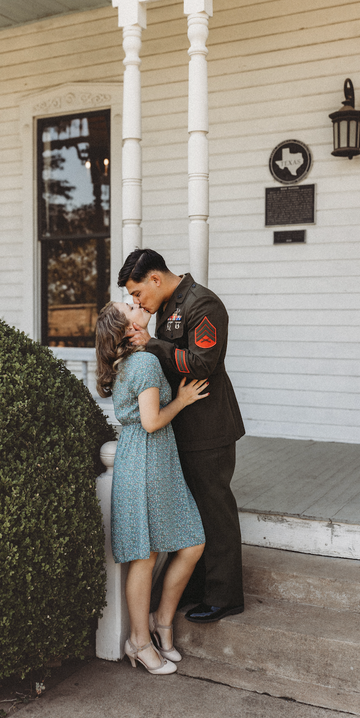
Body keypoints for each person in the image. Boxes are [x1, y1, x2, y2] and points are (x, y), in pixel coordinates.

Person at [118, 248, 245, 624]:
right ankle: (198, 586)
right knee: (193, 514)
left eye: (138, 293)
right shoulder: (171, 305)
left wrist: (150, 344)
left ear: (155, 279)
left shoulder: (203, 303)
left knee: (214, 510)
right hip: (184, 427)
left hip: (209, 427)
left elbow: (204, 363)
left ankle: (224, 596)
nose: (136, 301)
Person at [95, 300, 207, 674]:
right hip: (145, 457)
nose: (136, 304)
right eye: (128, 306)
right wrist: (183, 400)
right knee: (146, 554)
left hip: (150, 459)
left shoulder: (136, 358)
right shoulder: (143, 363)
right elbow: (152, 421)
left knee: (189, 542)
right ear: (127, 329)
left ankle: (162, 621)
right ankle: (139, 642)